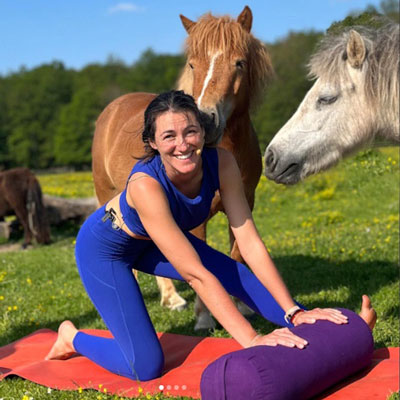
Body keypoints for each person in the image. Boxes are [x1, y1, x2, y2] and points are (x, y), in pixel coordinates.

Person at [46, 90, 376, 381]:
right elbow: (195, 275)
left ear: (203, 132)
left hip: (157, 242)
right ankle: (71, 337)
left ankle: (310, 323)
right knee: (144, 367)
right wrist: (251, 339)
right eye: (169, 136)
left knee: (238, 275)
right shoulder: (145, 185)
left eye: (190, 131)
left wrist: (294, 311)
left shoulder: (223, 163)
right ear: (152, 142)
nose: (182, 144)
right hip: (107, 251)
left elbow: (248, 240)